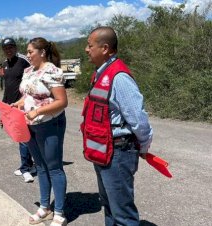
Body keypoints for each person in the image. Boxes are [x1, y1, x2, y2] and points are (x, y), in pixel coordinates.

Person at [80, 26, 153, 226]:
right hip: (104, 152)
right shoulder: (100, 73)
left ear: (104, 48)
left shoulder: (119, 77)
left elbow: (138, 119)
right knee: (110, 207)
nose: (87, 50)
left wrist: (144, 146)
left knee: (123, 214)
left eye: (90, 45)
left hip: (118, 153)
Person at [12, 37, 68, 226]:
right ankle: (45, 207)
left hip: (50, 123)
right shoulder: (28, 71)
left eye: (30, 52)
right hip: (30, 124)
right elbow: (27, 96)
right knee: (41, 167)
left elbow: (62, 102)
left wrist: (37, 111)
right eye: (27, 52)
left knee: (54, 168)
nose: (27, 55)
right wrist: (17, 105)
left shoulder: (52, 71)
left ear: (42, 52)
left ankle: (59, 212)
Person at [0, 37, 35, 183]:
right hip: (11, 106)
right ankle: (30, 165)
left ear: (16, 47)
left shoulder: (24, 61)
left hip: (23, 105)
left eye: (11, 47)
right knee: (19, 136)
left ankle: (26, 168)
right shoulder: (6, 64)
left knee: (23, 137)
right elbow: (8, 88)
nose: (9, 50)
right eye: (6, 48)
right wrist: (4, 109)